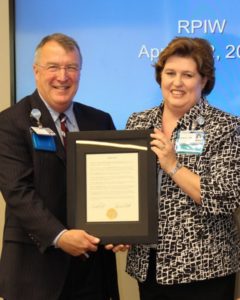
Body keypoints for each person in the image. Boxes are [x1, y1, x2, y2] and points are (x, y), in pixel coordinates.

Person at [0, 33, 119, 300]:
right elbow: (18, 192)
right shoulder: (11, 122)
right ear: (36, 71)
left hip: (92, 270)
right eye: (53, 67)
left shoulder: (99, 120)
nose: (62, 76)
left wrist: (120, 229)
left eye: (71, 67)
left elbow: (113, 184)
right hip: (36, 272)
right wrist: (60, 236)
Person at [125, 37, 240, 300]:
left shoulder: (225, 127)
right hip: (149, 265)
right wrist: (117, 228)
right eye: (170, 73)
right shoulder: (139, 121)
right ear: (160, 76)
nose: (177, 83)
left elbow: (224, 197)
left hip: (205, 269)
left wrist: (173, 165)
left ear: (204, 80)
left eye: (187, 75)